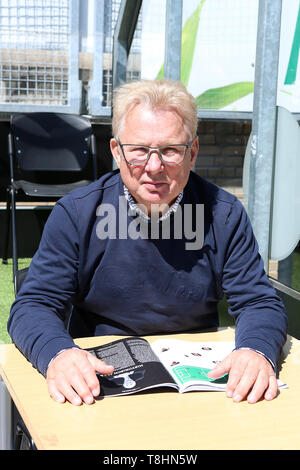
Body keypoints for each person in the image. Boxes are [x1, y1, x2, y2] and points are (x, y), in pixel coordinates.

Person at [8, 79, 287, 406]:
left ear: (192, 153)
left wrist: (256, 351)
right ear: (117, 151)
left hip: (199, 383)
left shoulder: (224, 215)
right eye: (139, 150)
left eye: (170, 150)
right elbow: (33, 304)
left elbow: (258, 301)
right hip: (102, 381)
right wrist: (59, 354)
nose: (154, 167)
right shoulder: (77, 213)